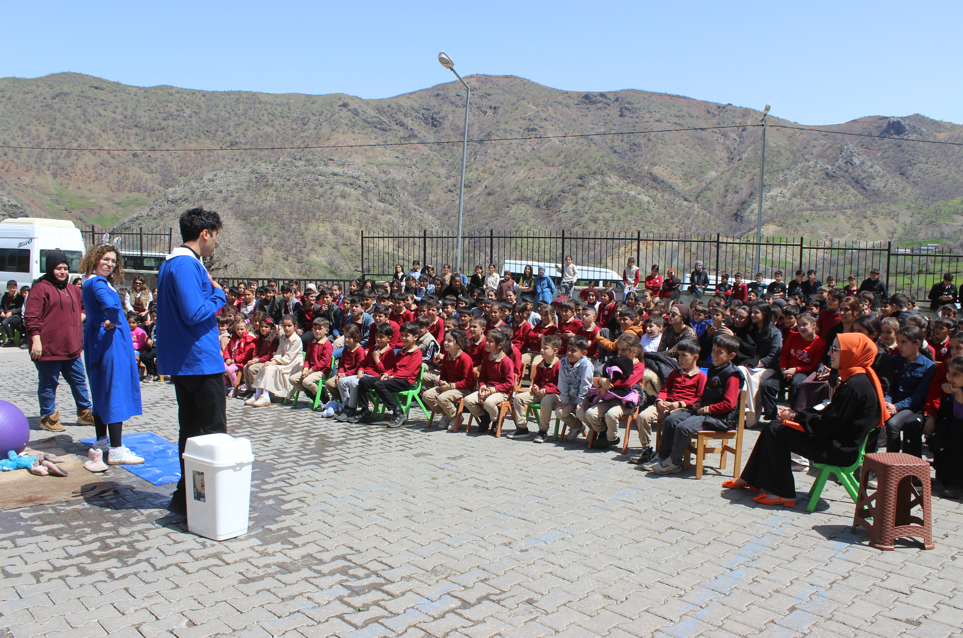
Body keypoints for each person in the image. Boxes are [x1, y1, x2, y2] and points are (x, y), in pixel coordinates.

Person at [728, 333, 885, 506]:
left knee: (776, 431)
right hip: (837, 441)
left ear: (852, 353)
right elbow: (831, 415)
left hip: (840, 450)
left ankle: (783, 492)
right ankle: (751, 478)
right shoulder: (855, 378)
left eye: (835, 350)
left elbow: (828, 422)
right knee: (774, 426)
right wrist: (796, 416)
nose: (830, 354)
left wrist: (796, 418)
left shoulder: (855, 386)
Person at [156, 207, 227, 516]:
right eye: (215, 238)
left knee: (191, 431)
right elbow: (193, 312)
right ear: (205, 234)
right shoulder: (185, 265)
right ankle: (209, 498)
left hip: (185, 361)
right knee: (211, 432)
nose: (215, 245)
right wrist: (219, 296)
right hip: (199, 361)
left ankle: (186, 496)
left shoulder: (174, 263)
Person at [80, 243, 144, 464]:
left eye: (113, 261)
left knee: (101, 389)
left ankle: (101, 440)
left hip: (96, 340)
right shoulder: (98, 283)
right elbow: (111, 307)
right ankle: (116, 449)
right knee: (115, 389)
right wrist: (114, 320)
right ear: (95, 259)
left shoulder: (87, 282)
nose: (110, 264)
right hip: (110, 341)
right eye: (106, 259)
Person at [643, 334, 743, 474]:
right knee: (671, 420)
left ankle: (675, 462)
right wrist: (699, 403)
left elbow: (729, 404)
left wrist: (706, 409)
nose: (714, 355)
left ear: (731, 356)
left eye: (720, 352)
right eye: (713, 350)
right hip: (706, 412)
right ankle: (663, 456)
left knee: (683, 427)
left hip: (721, 419)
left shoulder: (732, 375)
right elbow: (708, 394)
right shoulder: (715, 369)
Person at [22, 251, 95, 432]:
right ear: (50, 269)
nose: (62, 272)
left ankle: (85, 413)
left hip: (71, 346)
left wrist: (78, 319)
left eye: (65, 268)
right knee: (49, 382)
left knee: (79, 380)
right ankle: (48, 416)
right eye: (58, 268)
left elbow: (85, 307)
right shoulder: (40, 288)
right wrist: (36, 341)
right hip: (48, 347)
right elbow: (31, 317)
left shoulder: (73, 289)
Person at [632, 339, 706, 465]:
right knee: (643, 416)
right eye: (679, 355)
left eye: (684, 355)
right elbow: (665, 389)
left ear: (695, 357)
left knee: (671, 421)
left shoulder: (701, 377)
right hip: (666, 404)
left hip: (683, 409)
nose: (680, 359)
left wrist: (680, 404)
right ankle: (646, 449)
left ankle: (668, 453)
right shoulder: (675, 373)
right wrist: (660, 400)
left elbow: (699, 398)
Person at [874, 325, 936, 457]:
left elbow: (919, 396)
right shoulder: (895, 360)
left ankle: (893, 461)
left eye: (903, 342)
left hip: (912, 407)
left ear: (917, 344)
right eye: (898, 341)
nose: (899, 346)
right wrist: (887, 402)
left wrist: (896, 406)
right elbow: (889, 385)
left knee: (893, 424)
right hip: (892, 404)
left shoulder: (928, 366)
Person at [577, 333, 646, 449]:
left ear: (634, 351)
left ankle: (612, 439)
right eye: (619, 349)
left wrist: (606, 385)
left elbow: (627, 382)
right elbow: (597, 377)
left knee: (611, 414)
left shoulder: (639, 366)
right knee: (590, 413)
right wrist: (602, 381)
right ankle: (604, 432)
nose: (620, 353)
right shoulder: (615, 361)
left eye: (624, 350)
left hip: (626, 401)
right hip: (608, 398)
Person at [356, 322, 424, 428]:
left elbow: (408, 372)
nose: (404, 338)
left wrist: (391, 376)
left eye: (407, 335)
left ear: (415, 337)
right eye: (402, 335)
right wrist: (387, 373)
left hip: (405, 381)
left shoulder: (417, 353)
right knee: (364, 381)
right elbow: (393, 367)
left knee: (379, 384)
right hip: (394, 378)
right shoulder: (401, 351)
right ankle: (365, 410)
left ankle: (398, 412)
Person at [510, 335, 561, 441]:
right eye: (541, 347)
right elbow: (536, 381)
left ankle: (543, 431)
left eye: (545, 348)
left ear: (555, 350)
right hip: (540, 393)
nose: (542, 350)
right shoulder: (540, 365)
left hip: (555, 395)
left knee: (546, 401)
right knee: (518, 398)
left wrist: (547, 390)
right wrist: (535, 387)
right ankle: (522, 427)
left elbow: (561, 387)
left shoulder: (560, 366)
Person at [463, 330, 515, 434]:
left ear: (500, 345)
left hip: (502, 391)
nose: (487, 343)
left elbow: (510, 383)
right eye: (487, 340)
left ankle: (495, 420)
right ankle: (485, 417)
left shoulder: (506, 361)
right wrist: (482, 386)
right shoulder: (487, 358)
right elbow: (482, 377)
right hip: (487, 388)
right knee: (467, 400)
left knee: (489, 403)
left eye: (490, 341)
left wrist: (493, 390)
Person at [423, 329, 475, 431]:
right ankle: (448, 415)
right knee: (427, 396)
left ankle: (456, 417)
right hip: (449, 386)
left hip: (462, 388)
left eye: (449, 341)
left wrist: (451, 386)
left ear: (459, 344)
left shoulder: (465, 358)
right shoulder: (447, 357)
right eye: (445, 340)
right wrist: (442, 381)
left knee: (442, 398)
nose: (445, 343)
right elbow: (443, 375)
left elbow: (468, 381)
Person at [289, 318, 333, 403]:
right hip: (310, 370)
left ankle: (322, 394)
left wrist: (309, 371)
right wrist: (305, 369)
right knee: (293, 379)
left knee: (306, 381)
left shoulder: (327, 344)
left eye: (320, 329)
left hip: (322, 371)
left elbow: (324, 362)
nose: (317, 331)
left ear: (326, 330)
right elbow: (307, 358)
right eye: (315, 329)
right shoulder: (311, 343)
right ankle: (310, 392)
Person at [1, 279, 25, 347]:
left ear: (16, 288)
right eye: (10, 288)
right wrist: (1, 311)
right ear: (7, 288)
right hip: (5, 314)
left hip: (15, 315)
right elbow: (2, 306)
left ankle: (10, 339)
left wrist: (11, 312)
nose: (12, 289)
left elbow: (21, 308)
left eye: (13, 288)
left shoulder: (18, 297)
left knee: (4, 323)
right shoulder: (5, 296)